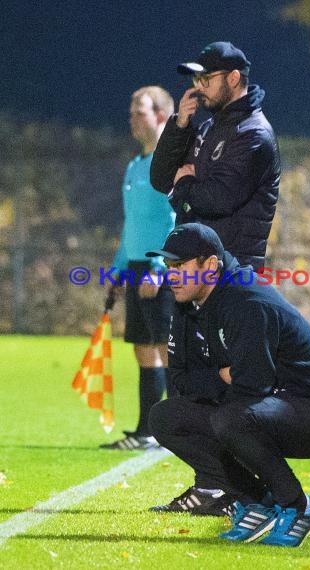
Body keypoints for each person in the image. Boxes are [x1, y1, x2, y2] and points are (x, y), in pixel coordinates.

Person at [145, 223, 310, 547]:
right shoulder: (187, 301)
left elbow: (251, 385)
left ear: (210, 265)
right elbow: (180, 379)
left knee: (230, 419)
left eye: (180, 266)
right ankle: (257, 502)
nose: (171, 275)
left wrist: (220, 382)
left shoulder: (246, 301)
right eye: (169, 267)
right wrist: (220, 377)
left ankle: (298, 507)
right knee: (165, 417)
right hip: (265, 401)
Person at [150, 41, 281, 270]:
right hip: (194, 271)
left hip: (233, 276)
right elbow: (161, 179)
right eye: (196, 80)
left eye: (206, 79)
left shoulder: (254, 135)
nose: (199, 87)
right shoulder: (208, 128)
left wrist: (184, 184)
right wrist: (179, 125)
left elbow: (216, 200)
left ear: (233, 78)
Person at [100, 86, 176, 450]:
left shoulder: (169, 163)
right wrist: (117, 270)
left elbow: (177, 218)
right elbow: (131, 223)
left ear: (161, 115)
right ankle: (148, 431)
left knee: (166, 347)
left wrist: (160, 266)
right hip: (133, 265)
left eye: (139, 112)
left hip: (158, 266)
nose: (132, 119)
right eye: (131, 112)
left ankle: (180, 428)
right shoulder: (134, 166)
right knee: (143, 348)